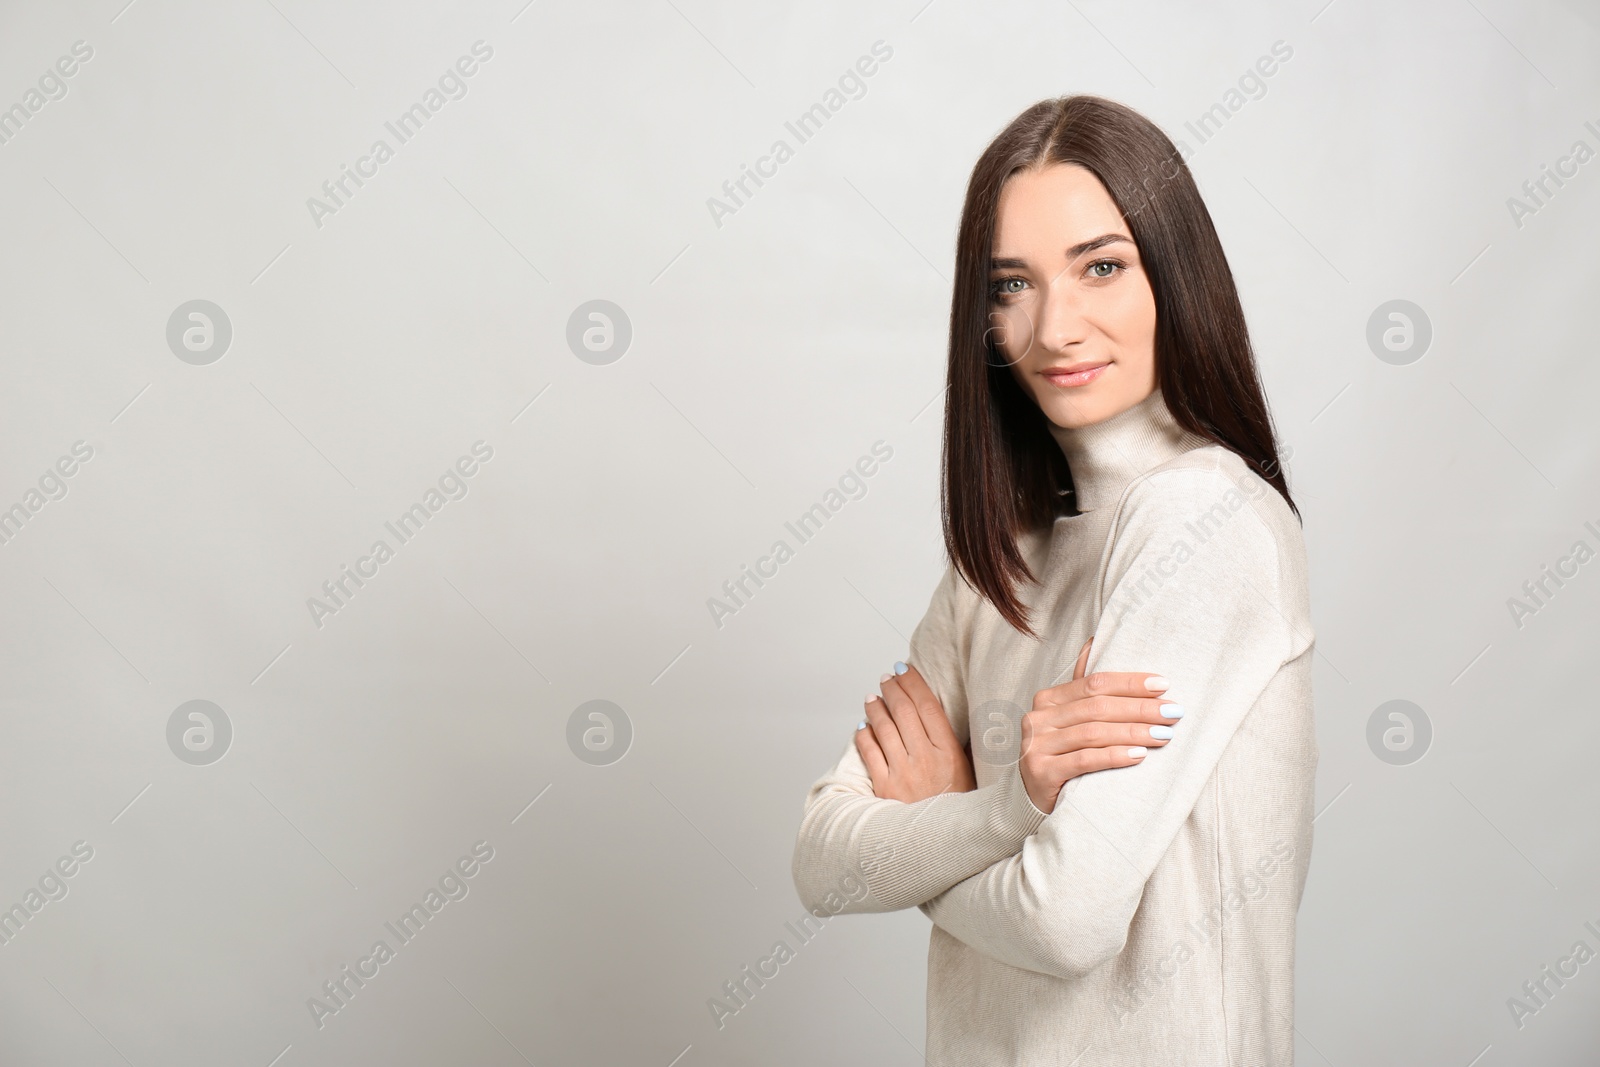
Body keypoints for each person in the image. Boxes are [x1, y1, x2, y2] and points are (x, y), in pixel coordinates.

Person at [790, 94, 1316, 1064]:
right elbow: (821, 858)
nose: (1056, 325)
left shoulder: (1207, 520)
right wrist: (1002, 812)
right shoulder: (1001, 562)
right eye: (1012, 284)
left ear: (1174, 272)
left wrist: (926, 833)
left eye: (1101, 266)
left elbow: (1066, 918)